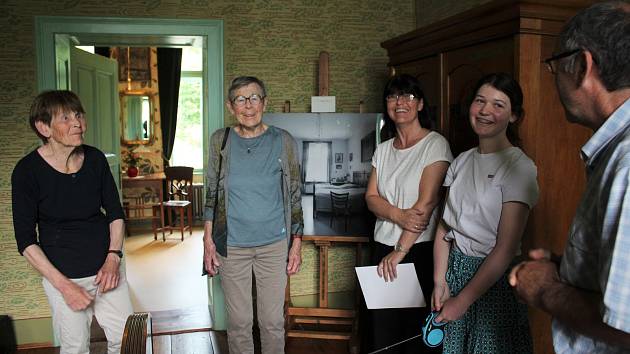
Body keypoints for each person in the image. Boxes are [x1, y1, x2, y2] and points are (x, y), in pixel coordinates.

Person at [509, 2, 630, 352]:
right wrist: (569, 268)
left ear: (582, 66)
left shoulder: (625, 164)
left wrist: (546, 289)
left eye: (554, 68)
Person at [11, 90, 133, 354]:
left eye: (78, 114)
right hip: (64, 277)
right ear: (43, 127)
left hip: (107, 271)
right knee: (75, 347)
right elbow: (26, 241)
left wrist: (113, 257)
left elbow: (114, 212)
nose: (77, 122)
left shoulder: (95, 159)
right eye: (65, 118)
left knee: (128, 342)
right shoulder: (27, 171)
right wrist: (64, 286)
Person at [430, 73, 538, 353]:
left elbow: (505, 249)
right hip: (455, 271)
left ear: (514, 116)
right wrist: (440, 281)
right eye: (480, 101)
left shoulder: (519, 167)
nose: (486, 111)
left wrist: (463, 301)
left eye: (498, 105)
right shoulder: (461, 161)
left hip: (494, 281)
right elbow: (444, 228)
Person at [202, 76, 303, 354]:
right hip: (232, 246)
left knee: (271, 322)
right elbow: (211, 192)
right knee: (239, 322)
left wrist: (296, 243)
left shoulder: (283, 141)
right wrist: (208, 242)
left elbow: (295, 194)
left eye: (254, 98)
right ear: (230, 106)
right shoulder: (220, 141)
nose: (248, 106)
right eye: (240, 99)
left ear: (264, 102)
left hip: (274, 245)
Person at [365, 74, 453, 353]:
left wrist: (400, 251)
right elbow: (371, 198)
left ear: (420, 104)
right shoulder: (383, 149)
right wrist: (397, 215)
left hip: (418, 250)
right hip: (382, 248)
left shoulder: (435, 144)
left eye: (408, 96)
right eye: (393, 96)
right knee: (383, 330)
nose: (400, 102)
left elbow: (425, 206)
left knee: (415, 334)